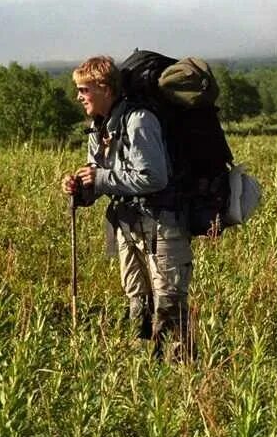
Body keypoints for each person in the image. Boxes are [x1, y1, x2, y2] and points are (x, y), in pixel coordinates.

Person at [62, 55, 193, 360]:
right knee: (138, 301)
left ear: (105, 88)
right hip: (128, 226)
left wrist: (102, 177)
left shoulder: (139, 121)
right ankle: (147, 368)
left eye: (84, 89)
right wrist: (80, 188)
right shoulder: (100, 127)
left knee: (169, 304)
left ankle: (181, 376)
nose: (79, 97)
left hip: (163, 225)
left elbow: (154, 176)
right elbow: (98, 177)